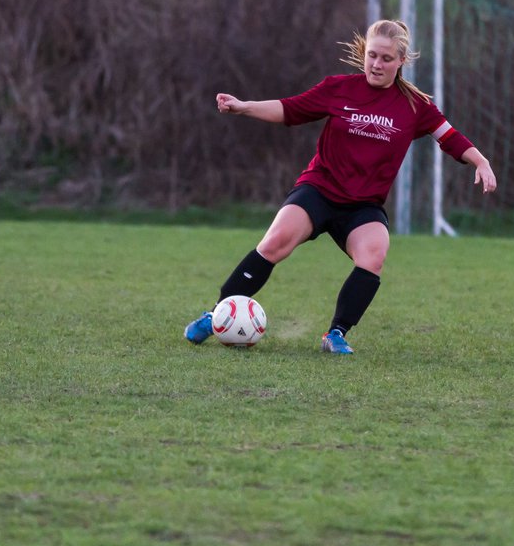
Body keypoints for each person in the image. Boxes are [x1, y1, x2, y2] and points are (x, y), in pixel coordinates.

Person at [183, 19, 497, 354]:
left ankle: (336, 334)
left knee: (374, 254)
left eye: (386, 58)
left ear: (401, 61)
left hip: (363, 205)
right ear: (364, 53)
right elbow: (290, 109)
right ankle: (218, 314)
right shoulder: (339, 88)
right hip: (319, 190)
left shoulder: (414, 106)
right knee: (275, 243)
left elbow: (449, 137)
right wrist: (244, 107)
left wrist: (480, 161)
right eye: (372, 55)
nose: (377, 64)